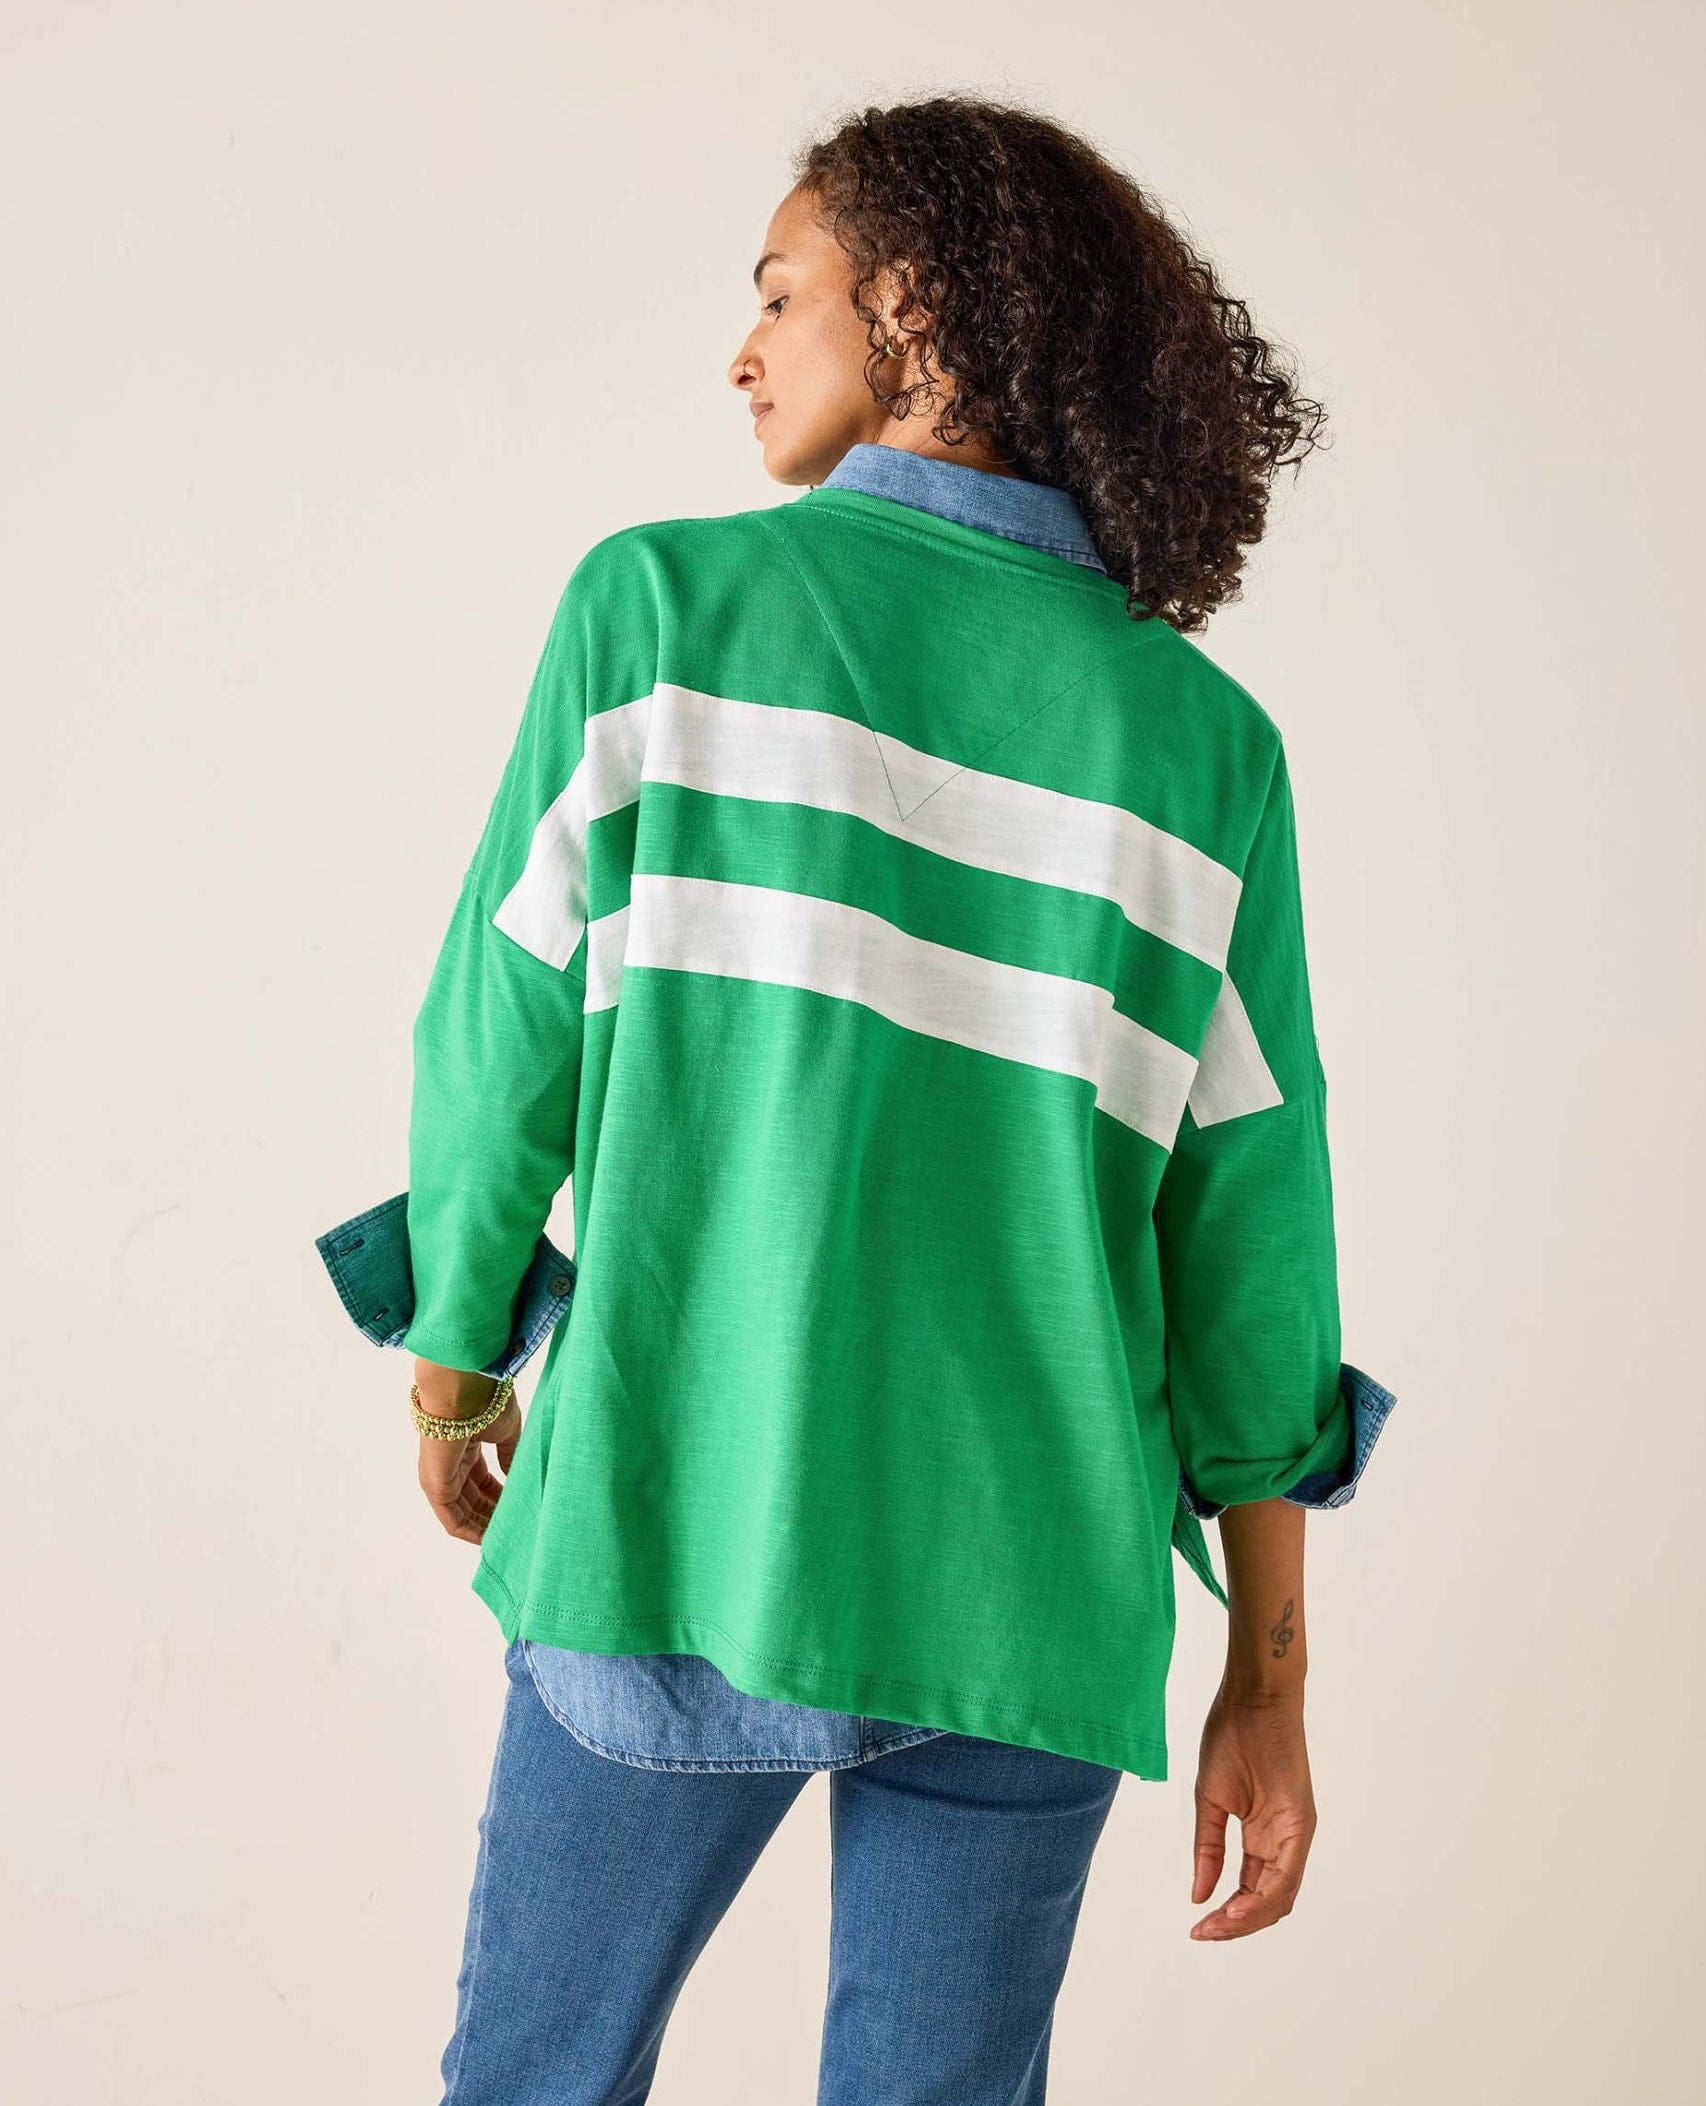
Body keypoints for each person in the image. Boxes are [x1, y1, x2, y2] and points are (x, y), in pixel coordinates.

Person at [314, 92, 1396, 2104]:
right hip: (1032, 1590)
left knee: (535, 2077)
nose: (741, 351)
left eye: (778, 293)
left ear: (912, 308)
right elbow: (1256, 1233)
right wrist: (1269, 1674)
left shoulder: (660, 615)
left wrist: (457, 1368)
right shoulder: (1201, 747)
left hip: (681, 1512)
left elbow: (494, 1040)